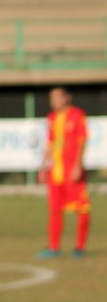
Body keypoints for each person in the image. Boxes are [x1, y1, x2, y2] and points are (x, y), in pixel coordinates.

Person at [37, 86, 91, 258]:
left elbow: (82, 141)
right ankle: (53, 247)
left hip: (71, 170)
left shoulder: (77, 115)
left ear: (67, 98)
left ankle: (79, 247)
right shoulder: (52, 118)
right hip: (56, 172)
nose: (53, 102)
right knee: (54, 209)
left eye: (56, 98)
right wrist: (43, 167)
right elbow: (50, 144)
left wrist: (78, 165)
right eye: (51, 98)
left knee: (82, 208)